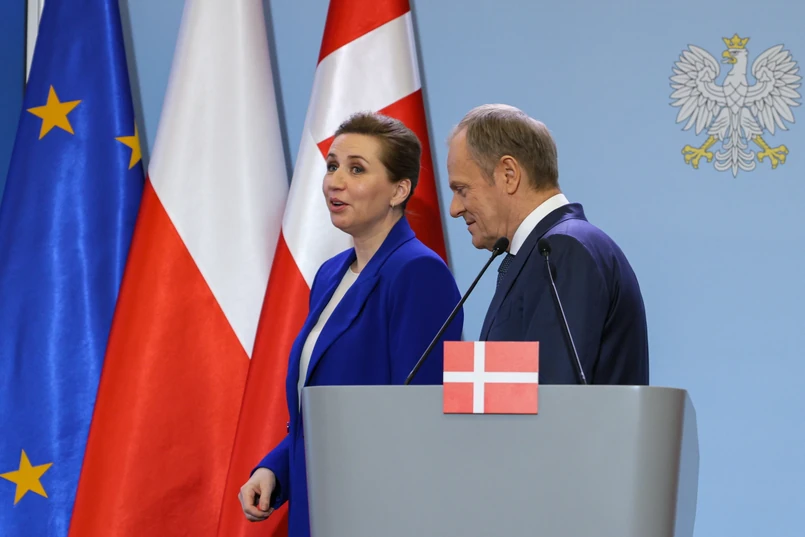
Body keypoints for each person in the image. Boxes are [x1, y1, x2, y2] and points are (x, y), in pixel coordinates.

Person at [238, 112, 463, 536]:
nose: (335, 182)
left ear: (399, 190)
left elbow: (419, 418)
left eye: (356, 169)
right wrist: (275, 469)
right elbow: (326, 415)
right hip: (318, 504)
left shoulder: (418, 273)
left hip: (374, 513)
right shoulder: (330, 274)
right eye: (332, 166)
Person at [446, 103, 648, 385]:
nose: (454, 209)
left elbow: (553, 395)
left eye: (462, 190)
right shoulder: (545, 251)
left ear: (508, 174)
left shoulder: (563, 250)